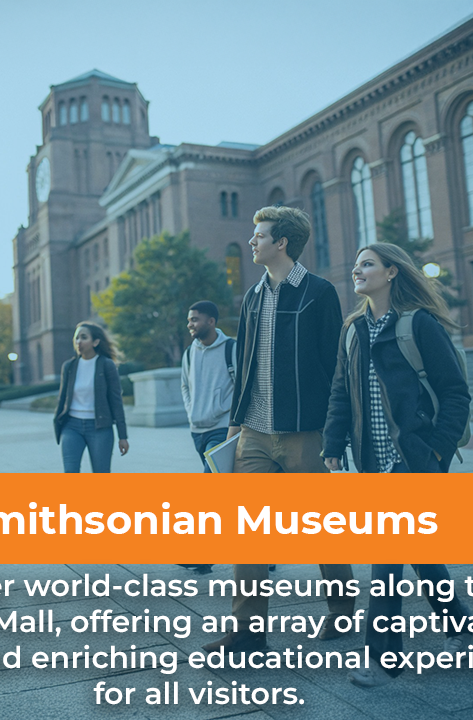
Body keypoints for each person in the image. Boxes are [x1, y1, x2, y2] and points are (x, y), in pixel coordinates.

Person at [202, 205, 354, 654]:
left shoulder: (319, 293)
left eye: (260, 235)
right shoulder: (251, 297)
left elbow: (336, 369)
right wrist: (234, 427)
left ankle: (342, 611)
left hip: (304, 433)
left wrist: (335, 433)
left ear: (282, 242)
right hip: (253, 433)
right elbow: (244, 368)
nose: (252, 242)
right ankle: (247, 631)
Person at [322, 242, 473, 688]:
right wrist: (333, 441)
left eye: (367, 264)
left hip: (415, 462)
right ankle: (460, 625)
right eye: (355, 265)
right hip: (373, 462)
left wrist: (437, 452)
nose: (357, 270)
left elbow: (455, 393)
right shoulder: (353, 330)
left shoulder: (418, 325)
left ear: (391, 272)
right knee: (418, 552)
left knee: (386, 556)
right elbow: (339, 392)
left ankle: (382, 657)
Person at [53, 322, 129, 473]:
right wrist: (58, 423)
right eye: (76, 338)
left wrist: (122, 436)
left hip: (99, 427)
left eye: (84, 337)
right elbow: (62, 398)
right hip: (72, 427)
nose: (78, 342)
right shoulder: (69, 366)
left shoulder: (106, 365)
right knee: (70, 471)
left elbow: (116, 401)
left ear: (95, 342)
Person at [181, 300, 236, 473]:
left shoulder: (231, 349)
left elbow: (243, 388)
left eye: (195, 320)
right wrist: (191, 412)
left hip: (222, 428)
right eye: (189, 320)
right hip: (196, 430)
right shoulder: (189, 353)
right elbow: (185, 386)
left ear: (211, 322)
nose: (190, 324)